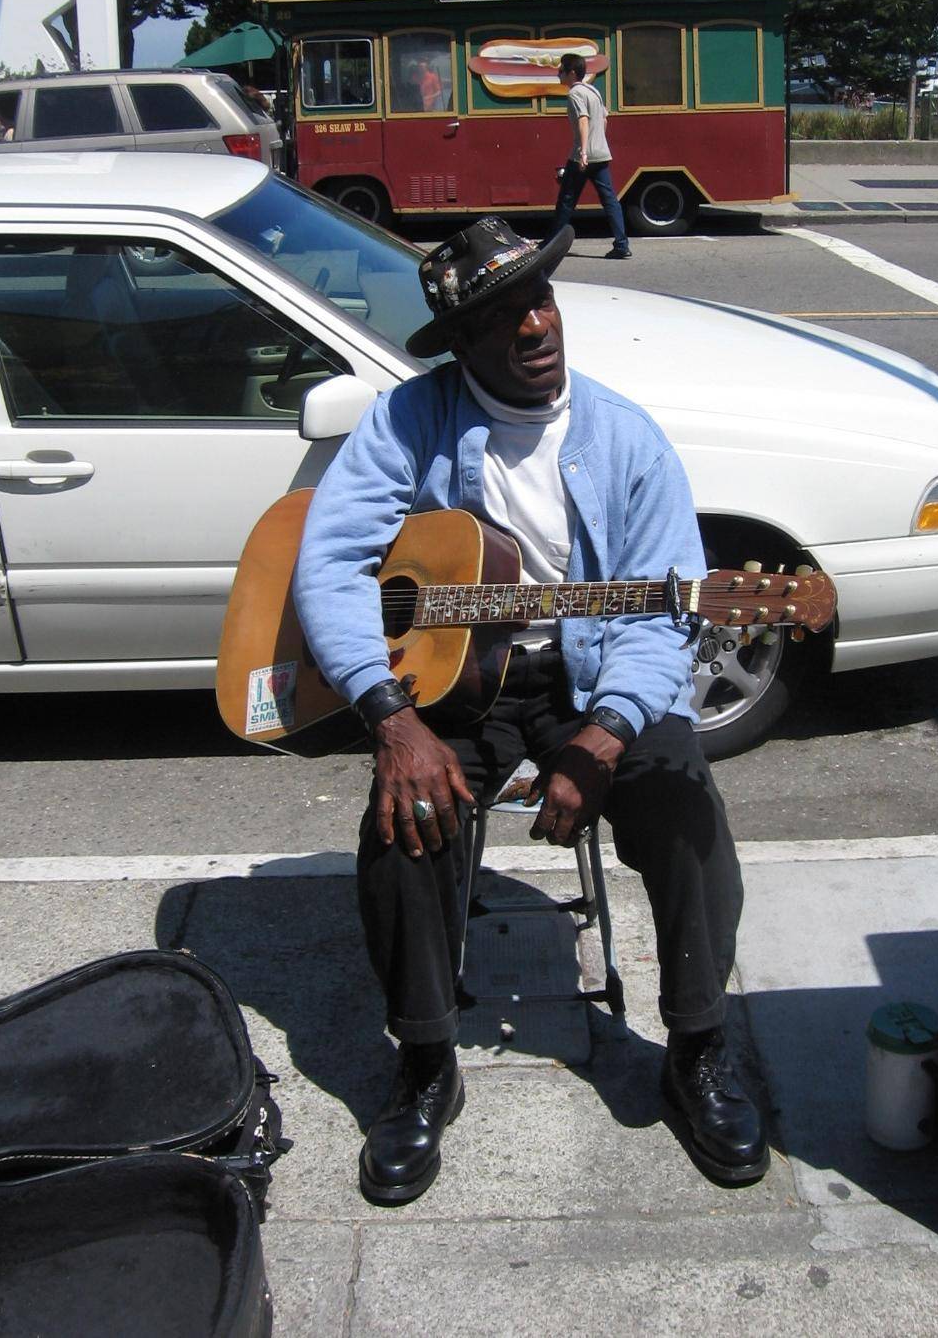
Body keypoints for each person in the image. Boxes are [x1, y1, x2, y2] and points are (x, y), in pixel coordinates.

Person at [294, 216, 765, 1205]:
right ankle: (425, 1059)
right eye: (503, 315)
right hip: (455, 684)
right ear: (461, 345)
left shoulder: (625, 437)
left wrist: (607, 733)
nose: (535, 324)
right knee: (402, 823)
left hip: (592, 676)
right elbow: (330, 564)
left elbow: (661, 607)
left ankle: (699, 1043)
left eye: (541, 299)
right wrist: (390, 715)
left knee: (683, 805)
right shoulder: (407, 422)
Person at [551, 53, 631, 260]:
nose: (558, 74)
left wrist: (584, 151)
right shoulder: (593, 90)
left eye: (560, 71)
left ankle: (553, 244)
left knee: (567, 199)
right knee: (610, 200)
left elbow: (583, 120)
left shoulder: (575, 93)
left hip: (582, 156)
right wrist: (599, 141)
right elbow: (604, 117)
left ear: (571, 73)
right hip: (601, 153)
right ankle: (622, 244)